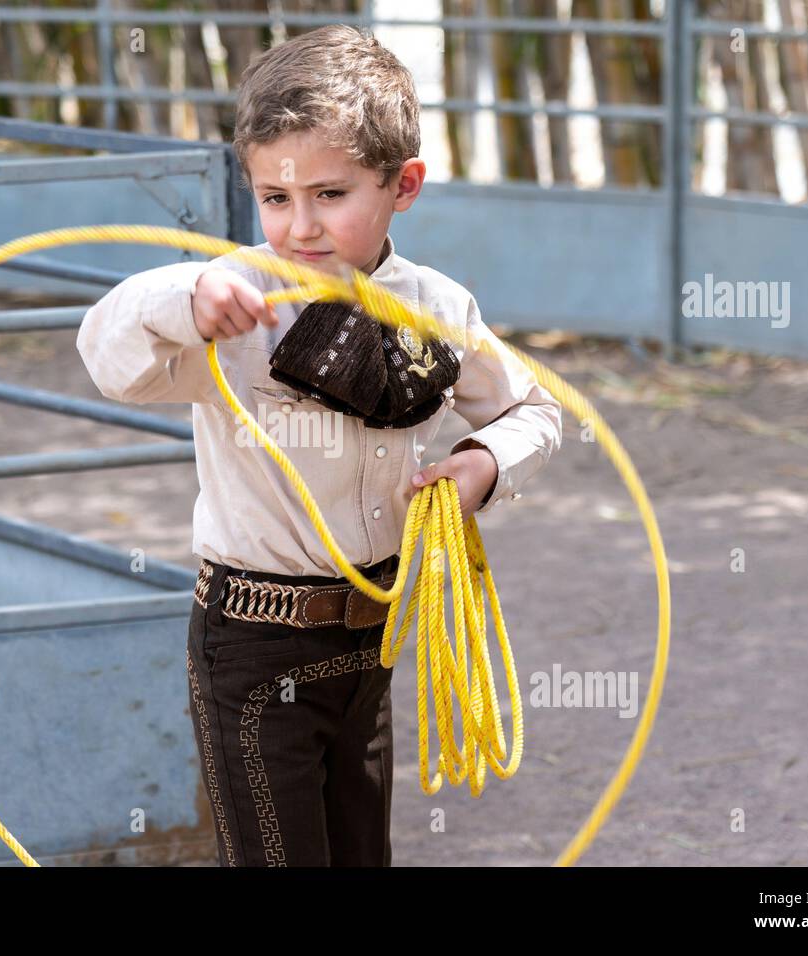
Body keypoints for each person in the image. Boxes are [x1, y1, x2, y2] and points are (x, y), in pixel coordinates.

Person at [76, 24, 562, 867]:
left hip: (373, 632)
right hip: (252, 643)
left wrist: (485, 465)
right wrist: (185, 294)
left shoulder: (439, 307)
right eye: (275, 198)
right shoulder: (230, 302)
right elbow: (108, 352)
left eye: (331, 195)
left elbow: (535, 408)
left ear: (402, 184)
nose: (299, 227)